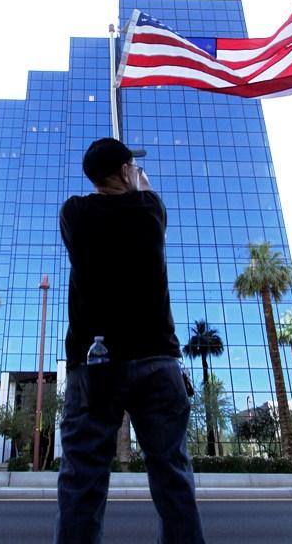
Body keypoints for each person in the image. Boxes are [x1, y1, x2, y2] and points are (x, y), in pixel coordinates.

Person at [55, 137, 206, 544]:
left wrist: (121, 176)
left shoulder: (74, 213)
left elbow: (98, 207)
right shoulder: (150, 210)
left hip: (95, 362)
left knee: (83, 479)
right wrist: (138, 181)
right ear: (125, 172)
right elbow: (146, 194)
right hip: (156, 360)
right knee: (171, 475)